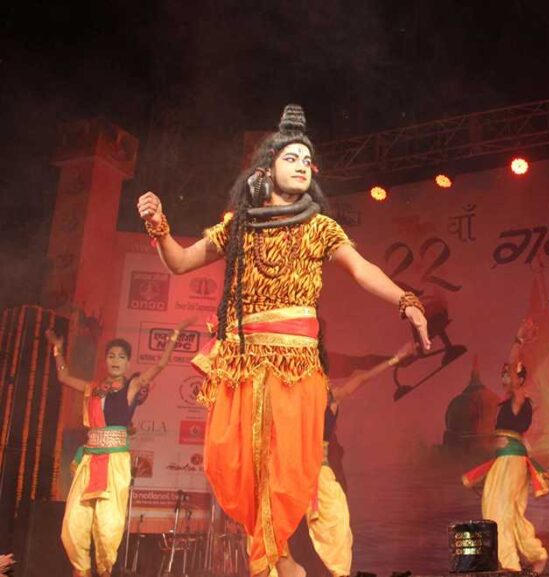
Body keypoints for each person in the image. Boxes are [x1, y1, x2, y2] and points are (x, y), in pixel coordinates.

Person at [136, 104, 430, 577]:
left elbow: (362, 270)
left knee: (289, 471)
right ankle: (278, 560)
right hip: (244, 363)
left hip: (296, 366)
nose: (300, 165)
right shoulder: (238, 227)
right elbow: (181, 262)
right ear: (265, 169)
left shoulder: (319, 227)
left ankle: (278, 562)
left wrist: (406, 301)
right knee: (233, 465)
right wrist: (159, 225)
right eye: (290, 157)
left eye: (305, 161)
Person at [45, 319, 188, 577]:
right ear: (106, 360)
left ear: (128, 363)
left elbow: (160, 365)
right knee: (73, 524)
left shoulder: (131, 386)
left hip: (114, 463)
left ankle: (105, 571)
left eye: (121, 357)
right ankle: (81, 571)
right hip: (89, 461)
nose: (115, 360)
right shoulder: (93, 389)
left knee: (108, 526)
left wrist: (175, 335)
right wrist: (57, 349)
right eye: (111, 356)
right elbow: (63, 376)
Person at [303, 338, 418, 577]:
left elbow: (362, 378)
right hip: (295, 474)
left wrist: (395, 359)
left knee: (337, 523)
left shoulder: (332, 397)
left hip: (319, 475)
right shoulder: (296, 399)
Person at [462, 319, 549, 573]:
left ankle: (510, 565)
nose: (504, 376)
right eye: (503, 374)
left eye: (509, 374)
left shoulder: (519, 399)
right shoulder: (509, 404)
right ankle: (535, 555)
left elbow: (512, 364)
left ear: (518, 378)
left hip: (511, 462)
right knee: (507, 511)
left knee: (498, 509)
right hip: (507, 461)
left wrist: (518, 341)